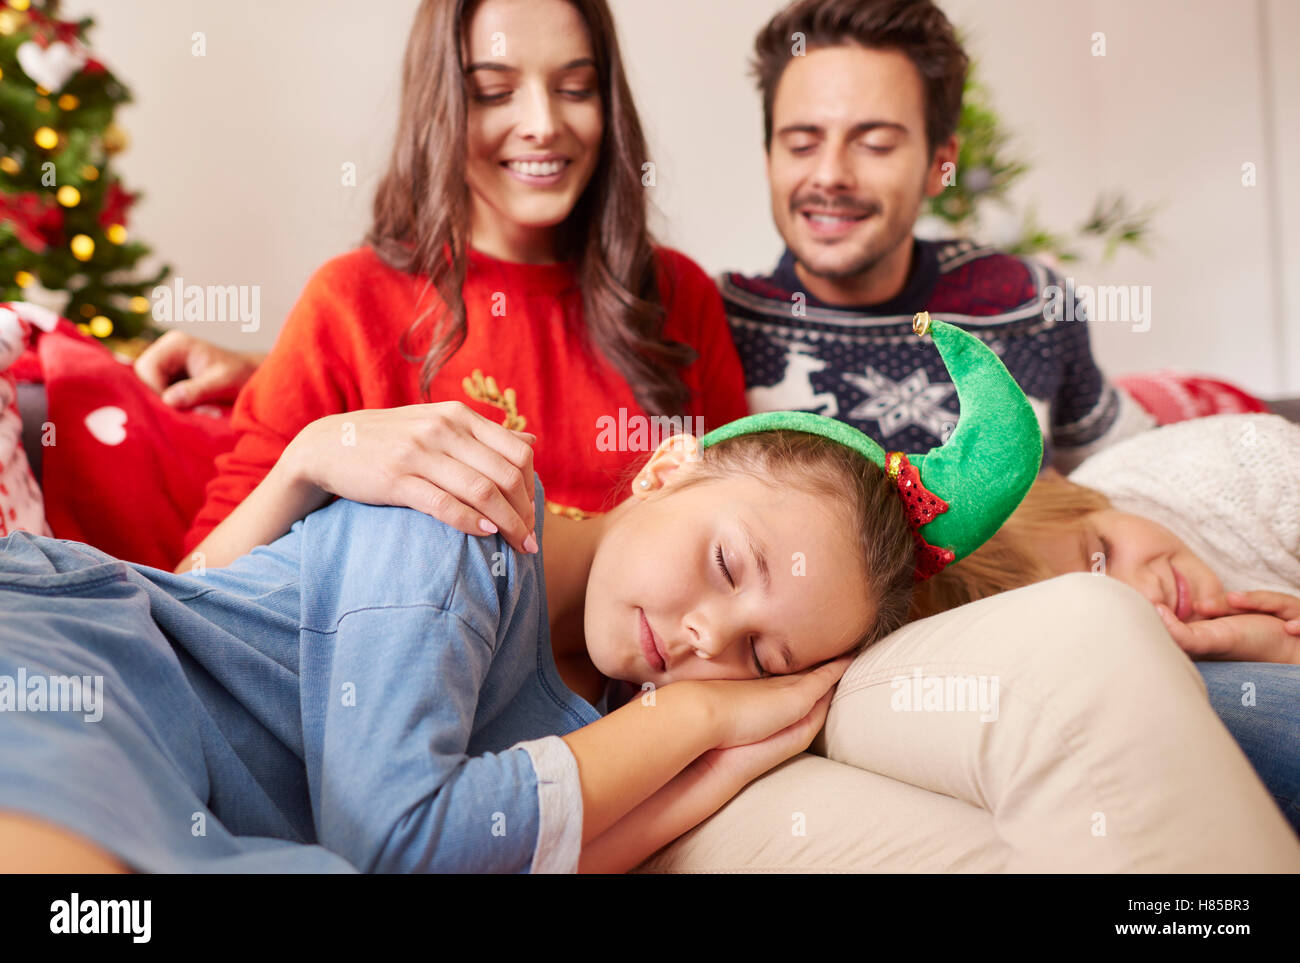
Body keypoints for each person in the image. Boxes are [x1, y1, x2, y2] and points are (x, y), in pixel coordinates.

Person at [0, 316, 1049, 874]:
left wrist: (721, 761)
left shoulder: (598, 710)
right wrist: (699, 720)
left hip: (213, 810)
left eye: (761, 657)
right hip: (76, 677)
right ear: (666, 468)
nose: (705, 637)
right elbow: (400, 843)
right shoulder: (463, 519)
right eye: (731, 567)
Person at [133, 0, 747, 572]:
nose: (543, 124)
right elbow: (197, 588)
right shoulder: (349, 302)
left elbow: (745, 532)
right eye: (494, 93)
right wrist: (308, 460)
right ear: (442, 105)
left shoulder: (678, 295)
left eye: (575, 89)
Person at [720, 0, 1156, 476]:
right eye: (801, 144)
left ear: (939, 164)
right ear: (769, 159)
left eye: (876, 144)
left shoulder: (1030, 304)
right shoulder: (716, 323)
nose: (829, 175)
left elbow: (1140, 474)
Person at [910, 411, 1300, 833]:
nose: (1148, 595)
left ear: (1081, 497)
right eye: (1112, 612)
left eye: (1105, 553)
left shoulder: (1240, 467)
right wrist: (1283, 648)